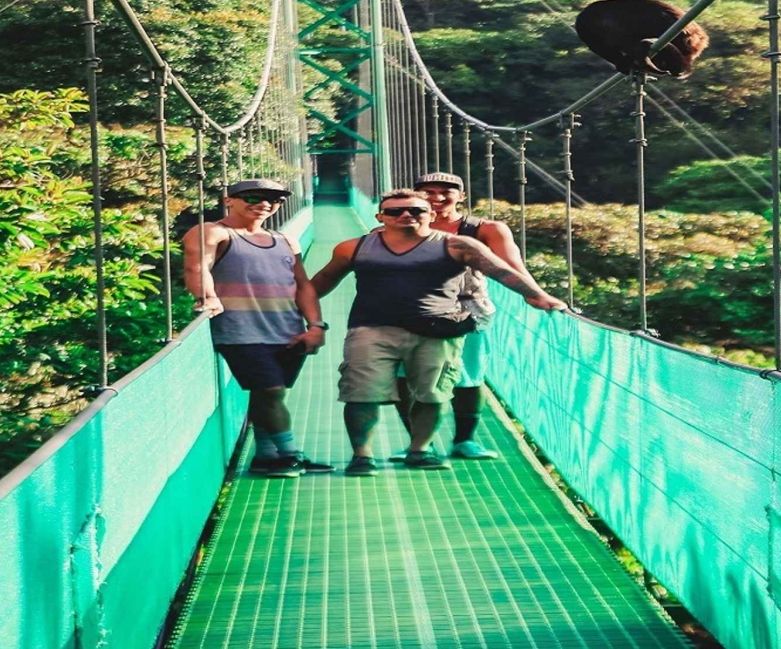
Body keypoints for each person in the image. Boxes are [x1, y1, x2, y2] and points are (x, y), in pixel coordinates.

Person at [311, 188, 566, 474]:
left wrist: (537, 296)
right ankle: (362, 456)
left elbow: (502, 271)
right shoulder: (353, 247)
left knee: (433, 394)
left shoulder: (458, 245)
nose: (406, 215)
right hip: (371, 329)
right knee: (360, 393)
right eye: (395, 211)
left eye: (416, 211)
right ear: (380, 216)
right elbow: (322, 280)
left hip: (437, 328)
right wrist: (300, 315)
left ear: (431, 215)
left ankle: (419, 450)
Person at [183, 178, 331, 478]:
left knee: (267, 397)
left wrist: (315, 325)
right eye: (253, 197)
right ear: (229, 201)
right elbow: (197, 267)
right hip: (241, 331)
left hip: (288, 329)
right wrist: (207, 297)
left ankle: (266, 457)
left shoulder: (286, 240)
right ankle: (290, 454)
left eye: (273, 200)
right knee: (270, 391)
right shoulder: (213, 232)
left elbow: (302, 285)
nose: (264, 204)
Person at [403, 171, 522, 460]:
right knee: (406, 377)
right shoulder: (403, 223)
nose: (438, 197)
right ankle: (419, 443)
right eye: (428, 191)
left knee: (469, 374)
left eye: (447, 191)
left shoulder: (483, 229)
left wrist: (540, 297)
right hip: (411, 308)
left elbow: (513, 267)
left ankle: (464, 441)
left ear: (462, 196)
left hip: (466, 308)